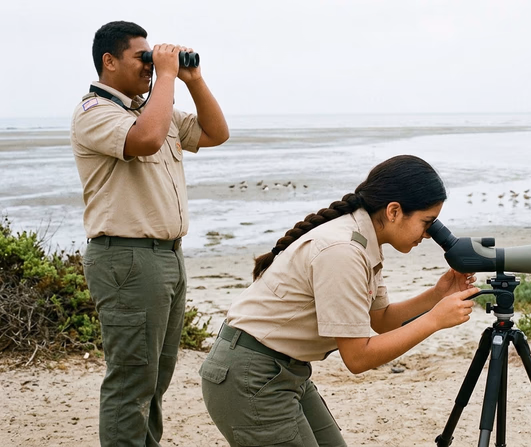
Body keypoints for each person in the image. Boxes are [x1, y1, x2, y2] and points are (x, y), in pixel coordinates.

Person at [200, 155, 478, 446]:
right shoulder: (343, 250)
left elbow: (381, 320)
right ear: (394, 211)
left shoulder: (364, 239)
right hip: (250, 376)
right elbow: (358, 358)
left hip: (285, 371)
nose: (429, 234)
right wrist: (434, 321)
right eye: (427, 222)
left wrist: (436, 296)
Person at [71, 20, 229, 446]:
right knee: (131, 381)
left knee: (155, 379)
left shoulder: (150, 108)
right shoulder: (96, 113)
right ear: (109, 61)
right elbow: (145, 140)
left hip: (167, 257)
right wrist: (166, 77)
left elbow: (216, 133)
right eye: (141, 58)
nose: (149, 66)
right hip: (127, 257)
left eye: (151, 58)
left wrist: (192, 78)